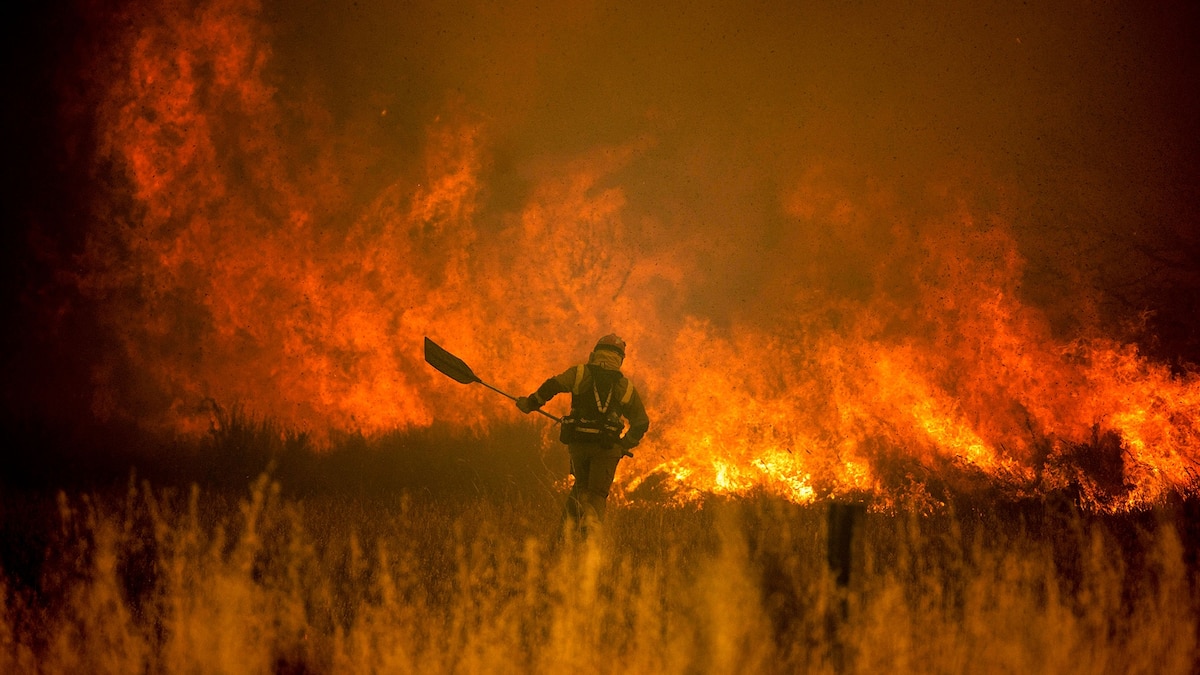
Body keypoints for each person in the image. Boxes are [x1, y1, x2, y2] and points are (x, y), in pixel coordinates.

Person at [516, 334, 649, 536]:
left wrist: (531, 403)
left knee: (580, 489)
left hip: (579, 446)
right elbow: (641, 422)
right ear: (620, 358)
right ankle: (590, 547)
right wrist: (624, 445)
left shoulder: (579, 373)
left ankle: (564, 537)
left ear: (595, 353)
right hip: (606, 451)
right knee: (596, 495)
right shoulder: (625, 386)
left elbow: (553, 385)